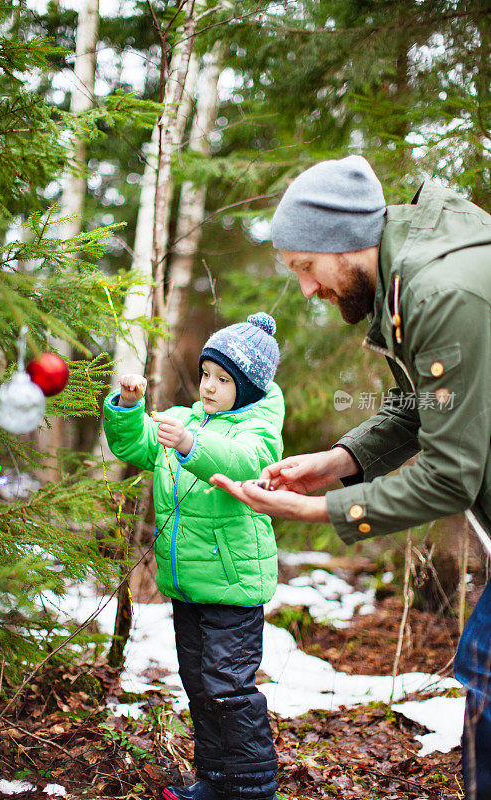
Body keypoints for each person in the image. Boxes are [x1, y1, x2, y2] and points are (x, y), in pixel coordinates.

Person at [210, 156, 491, 800]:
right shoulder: (406, 280)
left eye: (306, 268)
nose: (307, 290)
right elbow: (419, 405)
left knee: (483, 668)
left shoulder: (439, 291)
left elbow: (449, 478)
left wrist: (315, 515)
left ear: (344, 240)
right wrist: (335, 464)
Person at [102, 312, 285, 800]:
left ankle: (253, 788)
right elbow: (137, 445)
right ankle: (216, 779)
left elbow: (247, 463)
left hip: (233, 585)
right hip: (187, 585)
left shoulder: (258, 431)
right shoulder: (184, 419)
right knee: (200, 686)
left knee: (229, 688)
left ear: (247, 389)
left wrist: (191, 444)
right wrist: (126, 406)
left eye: (224, 380)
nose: (209, 387)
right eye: (206, 374)